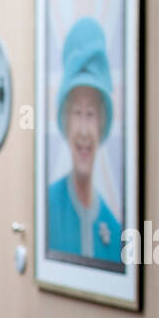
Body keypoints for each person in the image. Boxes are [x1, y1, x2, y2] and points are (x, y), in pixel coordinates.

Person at [47, 17, 121, 263]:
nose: (84, 130)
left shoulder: (114, 228)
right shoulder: (47, 208)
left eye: (90, 114)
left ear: (102, 124)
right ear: (65, 122)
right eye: (77, 113)